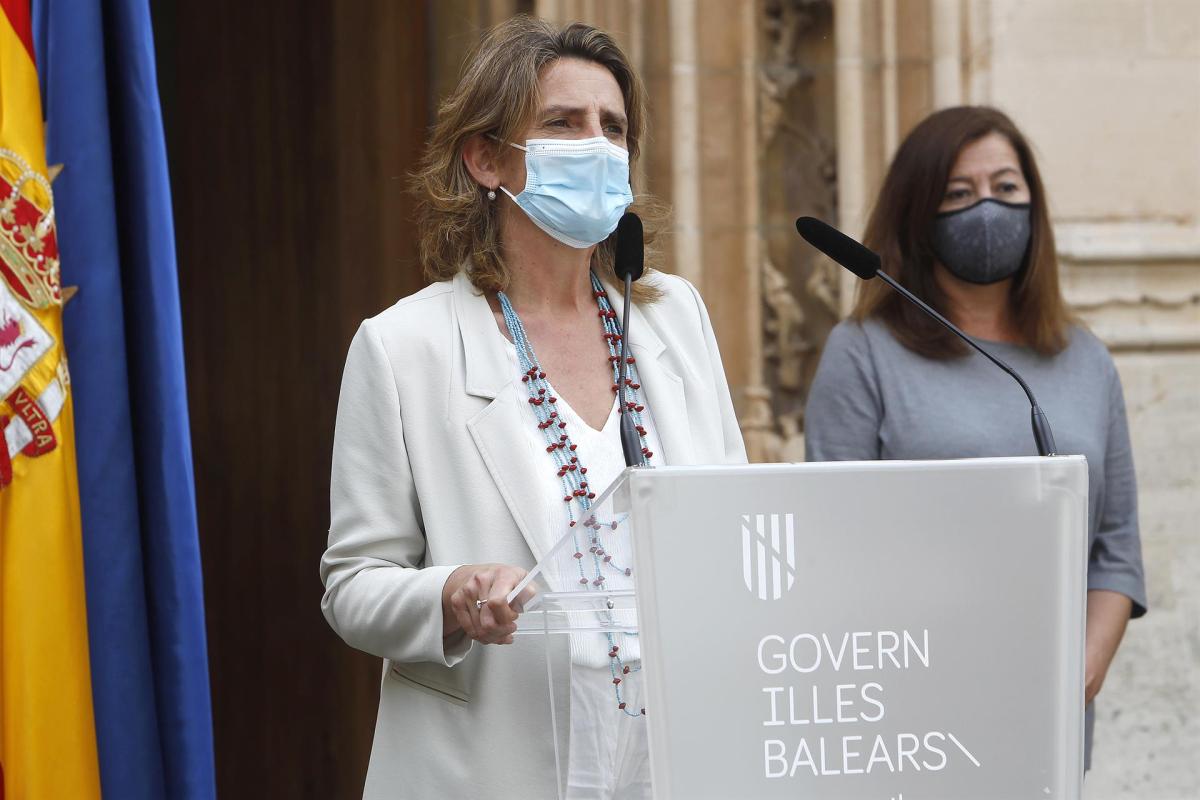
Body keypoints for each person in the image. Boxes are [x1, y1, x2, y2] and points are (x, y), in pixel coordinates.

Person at [320, 16, 745, 799]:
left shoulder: (673, 317)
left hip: (672, 755)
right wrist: (448, 595)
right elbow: (354, 585)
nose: (596, 145)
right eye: (563, 123)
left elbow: (734, 519)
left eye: (613, 128)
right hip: (494, 760)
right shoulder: (404, 346)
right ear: (485, 159)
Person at [804, 105, 1147, 769]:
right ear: (918, 215)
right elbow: (831, 545)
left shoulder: (1085, 360)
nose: (987, 209)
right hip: (912, 719)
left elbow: (1116, 551)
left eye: (1006, 189)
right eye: (958, 194)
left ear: (1034, 205)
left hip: (1051, 718)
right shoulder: (863, 354)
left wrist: (1078, 673)